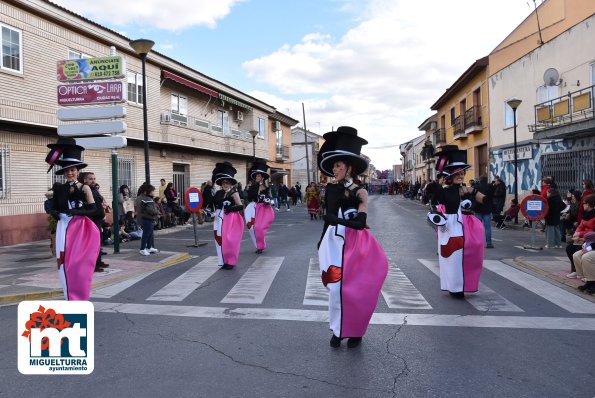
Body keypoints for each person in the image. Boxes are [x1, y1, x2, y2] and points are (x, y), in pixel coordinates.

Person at [317, 126, 388, 348]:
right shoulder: (329, 190)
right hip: (332, 242)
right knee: (335, 288)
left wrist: (337, 220)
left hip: (356, 244)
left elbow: (360, 223)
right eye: (333, 166)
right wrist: (321, 243)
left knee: (354, 290)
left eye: (338, 166)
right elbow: (328, 219)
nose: (334, 169)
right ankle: (338, 329)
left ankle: (354, 331)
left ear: (349, 167)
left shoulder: (360, 192)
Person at [427, 145, 488, 298]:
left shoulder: (466, 189)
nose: (461, 176)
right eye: (457, 173)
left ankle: (464, 285)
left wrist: (480, 198)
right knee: (453, 258)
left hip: (468, 227)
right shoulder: (444, 191)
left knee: (470, 256)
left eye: (462, 173)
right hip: (450, 227)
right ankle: (455, 288)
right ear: (450, 176)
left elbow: (483, 199)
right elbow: (433, 202)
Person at [45, 138, 101, 300]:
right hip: (63, 227)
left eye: (73, 170)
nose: (70, 173)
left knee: (78, 264)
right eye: (67, 170)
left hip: (80, 229)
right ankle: (68, 296)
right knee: (62, 262)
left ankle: (80, 296)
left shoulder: (85, 188)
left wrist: (77, 211)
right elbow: (54, 207)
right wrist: (54, 212)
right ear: (63, 172)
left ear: (78, 171)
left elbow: (96, 210)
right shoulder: (59, 188)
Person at [212, 162, 244, 270]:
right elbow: (214, 204)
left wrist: (230, 208)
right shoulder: (219, 193)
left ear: (230, 183)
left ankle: (232, 261)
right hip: (220, 219)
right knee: (223, 240)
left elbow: (240, 206)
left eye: (227, 182)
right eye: (223, 182)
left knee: (231, 241)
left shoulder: (234, 192)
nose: (225, 184)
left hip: (232, 219)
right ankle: (225, 261)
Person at [244, 159, 275, 254]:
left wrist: (268, 200)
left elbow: (270, 198)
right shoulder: (252, 187)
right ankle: (258, 246)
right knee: (252, 228)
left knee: (259, 228)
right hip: (253, 207)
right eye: (256, 176)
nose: (257, 177)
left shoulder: (266, 188)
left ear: (262, 178)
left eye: (258, 176)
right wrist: (247, 190)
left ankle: (261, 245)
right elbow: (248, 197)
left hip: (264, 209)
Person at [84, 172, 108, 271]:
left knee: (98, 242)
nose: (93, 180)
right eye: (90, 179)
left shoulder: (94, 190)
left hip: (98, 219)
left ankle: (98, 261)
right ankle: (93, 265)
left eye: (94, 178)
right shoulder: (86, 190)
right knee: (93, 243)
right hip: (92, 220)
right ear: (85, 180)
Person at [135, 184, 160, 256]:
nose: (153, 192)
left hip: (145, 218)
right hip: (147, 218)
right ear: (146, 192)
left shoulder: (140, 198)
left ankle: (149, 247)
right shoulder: (146, 199)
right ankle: (142, 249)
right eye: (152, 191)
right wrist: (157, 212)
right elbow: (151, 210)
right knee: (146, 234)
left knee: (149, 234)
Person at [473, 175, 494, 248]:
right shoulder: (490, 187)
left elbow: (473, 196)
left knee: (477, 227)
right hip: (487, 209)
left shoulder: (476, 187)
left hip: (478, 209)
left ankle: (477, 242)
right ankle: (489, 243)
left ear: (479, 180)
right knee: (487, 227)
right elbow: (492, 197)